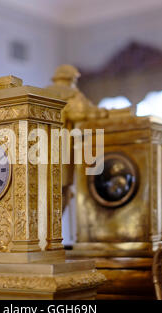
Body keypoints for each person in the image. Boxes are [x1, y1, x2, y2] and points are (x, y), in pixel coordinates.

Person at [46, 65, 108, 212]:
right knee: (62, 192)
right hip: (63, 154)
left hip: (43, 152)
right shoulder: (71, 94)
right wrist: (104, 113)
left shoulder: (44, 92)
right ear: (71, 79)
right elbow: (83, 112)